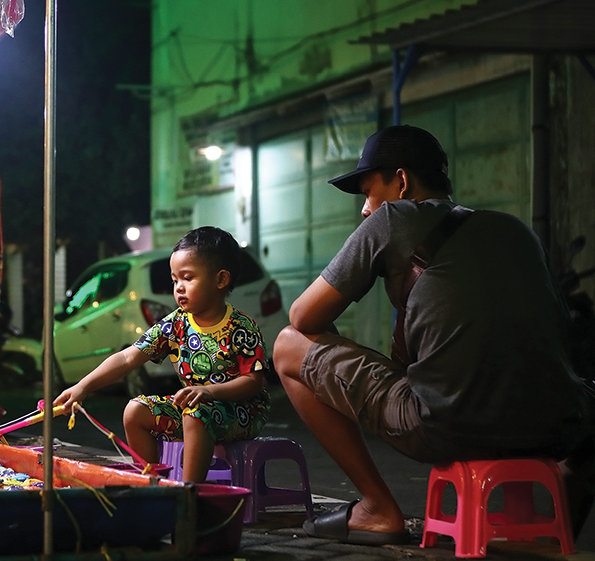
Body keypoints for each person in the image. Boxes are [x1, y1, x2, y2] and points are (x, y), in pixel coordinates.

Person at [271, 124, 593, 546]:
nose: (365, 210)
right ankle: (555, 522)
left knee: (288, 345)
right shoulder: (517, 230)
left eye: (368, 192)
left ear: (401, 181)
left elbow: (302, 316)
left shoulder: (392, 219)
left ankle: (377, 508)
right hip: (556, 425)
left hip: (446, 425)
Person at [54, 226, 271, 482]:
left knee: (196, 413)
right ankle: (153, 484)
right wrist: (83, 387)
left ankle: (187, 493)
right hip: (194, 411)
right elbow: (127, 357)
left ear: (221, 280)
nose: (179, 288)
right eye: (175, 280)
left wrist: (209, 392)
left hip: (242, 413)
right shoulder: (176, 324)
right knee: (135, 411)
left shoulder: (241, 327)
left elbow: (253, 382)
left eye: (188, 278)